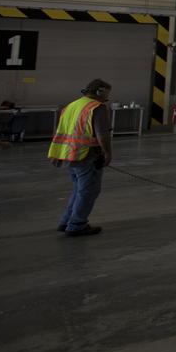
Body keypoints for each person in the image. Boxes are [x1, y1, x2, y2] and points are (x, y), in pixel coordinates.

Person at [49, 78, 114, 237]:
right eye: (106, 93)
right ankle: (77, 224)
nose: (107, 97)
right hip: (87, 155)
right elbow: (102, 133)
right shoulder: (96, 107)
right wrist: (107, 152)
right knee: (88, 191)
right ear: (100, 91)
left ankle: (66, 221)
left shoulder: (72, 105)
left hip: (70, 155)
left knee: (79, 189)